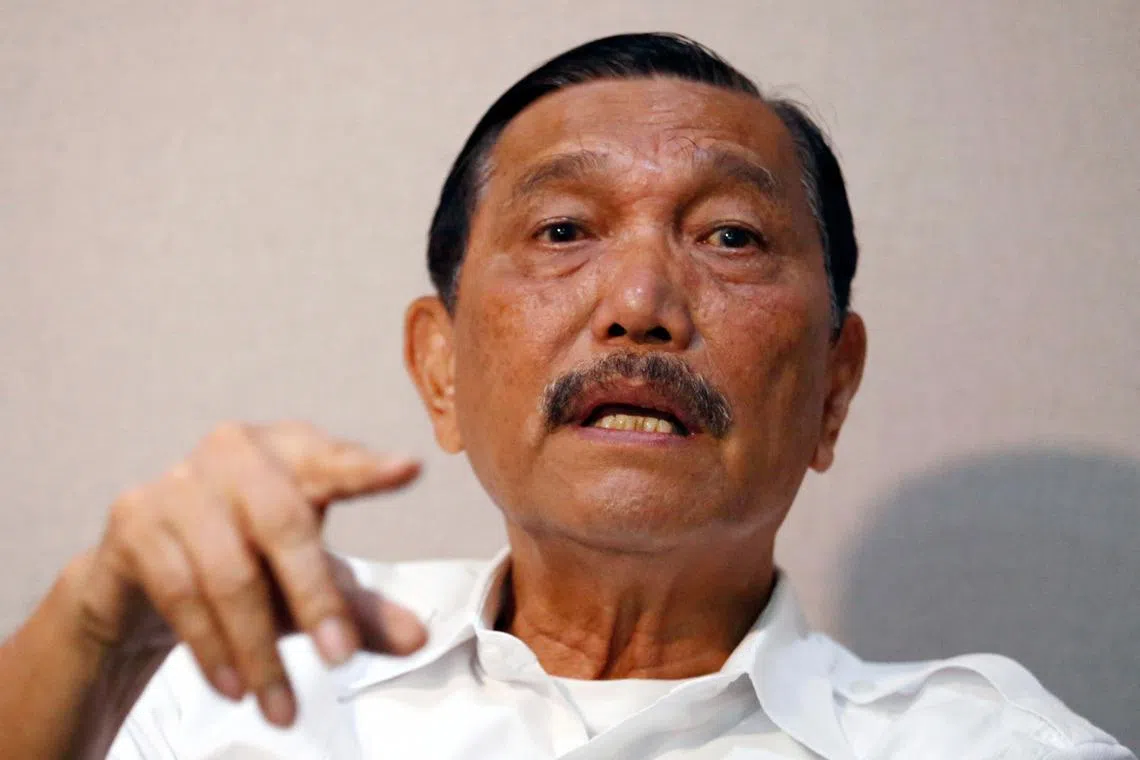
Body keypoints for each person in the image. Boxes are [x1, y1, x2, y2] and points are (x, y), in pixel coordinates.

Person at [0, 32, 1131, 760]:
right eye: (562, 230)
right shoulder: (229, 677)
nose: (640, 302)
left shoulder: (994, 747)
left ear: (834, 387)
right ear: (441, 368)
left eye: (731, 236)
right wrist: (94, 629)